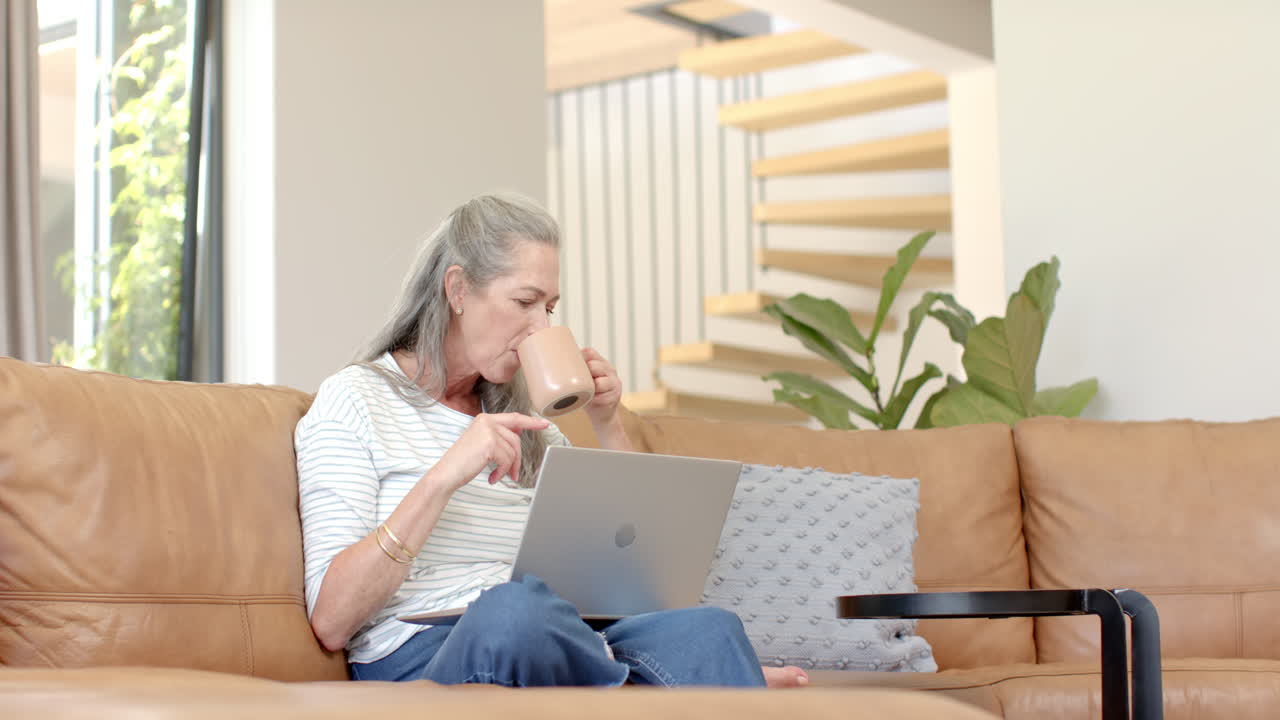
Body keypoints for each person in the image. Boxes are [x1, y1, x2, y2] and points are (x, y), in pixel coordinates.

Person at [295, 193, 808, 688]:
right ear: (457, 291)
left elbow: (634, 572)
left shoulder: (523, 422)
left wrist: (609, 423)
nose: (540, 326)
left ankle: (638, 677)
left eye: (550, 308)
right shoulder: (356, 399)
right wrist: (445, 476)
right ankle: (647, 681)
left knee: (708, 628)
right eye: (524, 302)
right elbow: (333, 618)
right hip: (422, 648)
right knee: (515, 613)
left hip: (560, 639)